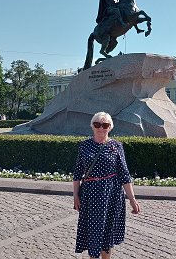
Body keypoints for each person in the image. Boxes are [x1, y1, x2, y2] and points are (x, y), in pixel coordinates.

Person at [73, 111, 140, 259]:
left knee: (107, 235)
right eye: (97, 124)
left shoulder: (116, 146)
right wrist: (75, 196)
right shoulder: (84, 146)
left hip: (111, 195)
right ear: (92, 126)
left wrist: (132, 199)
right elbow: (77, 174)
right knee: (93, 233)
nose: (101, 128)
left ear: (110, 127)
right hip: (90, 196)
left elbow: (124, 174)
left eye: (105, 125)